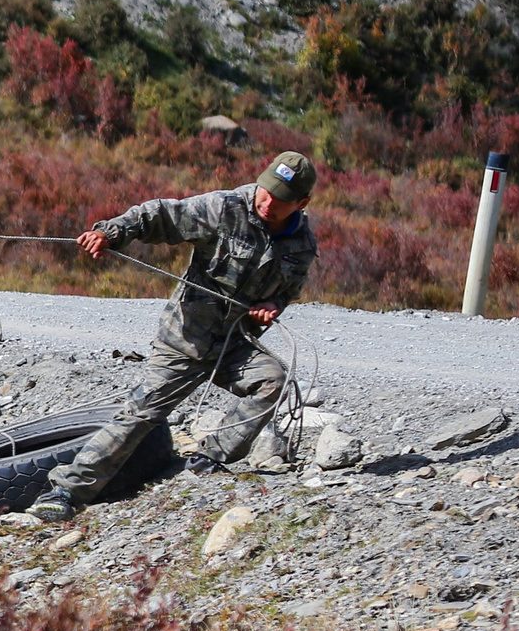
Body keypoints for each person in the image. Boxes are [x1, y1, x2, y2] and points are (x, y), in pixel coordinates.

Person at [29, 151, 319, 523]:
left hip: (234, 344)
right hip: (184, 338)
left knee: (273, 381)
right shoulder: (225, 208)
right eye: (265, 192)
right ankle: (67, 489)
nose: (267, 203)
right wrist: (110, 232)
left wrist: (273, 305)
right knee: (141, 413)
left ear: (302, 203)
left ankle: (209, 460)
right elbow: (161, 215)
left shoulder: (302, 244)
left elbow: (289, 290)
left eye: (280, 201)